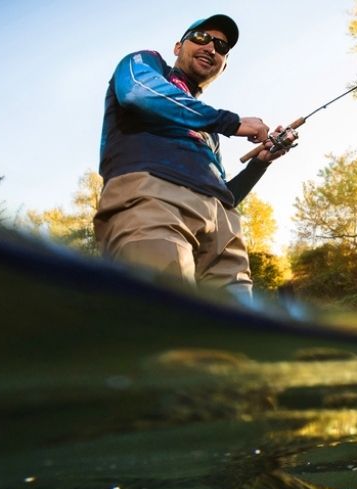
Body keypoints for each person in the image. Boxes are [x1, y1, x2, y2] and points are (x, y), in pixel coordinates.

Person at [93, 14, 297, 302]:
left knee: (235, 330)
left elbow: (225, 194)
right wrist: (231, 122)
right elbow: (138, 93)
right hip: (152, 197)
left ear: (223, 66)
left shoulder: (209, 132)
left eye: (222, 47)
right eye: (201, 38)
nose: (211, 48)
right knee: (163, 314)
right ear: (178, 47)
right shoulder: (146, 63)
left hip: (223, 226)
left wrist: (260, 162)